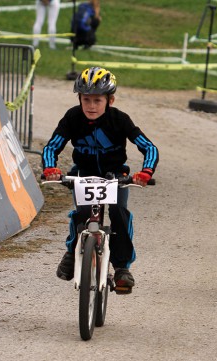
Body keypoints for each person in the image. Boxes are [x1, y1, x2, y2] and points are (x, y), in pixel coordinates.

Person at [42, 67, 159, 294]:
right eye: (86, 99)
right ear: (79, 99)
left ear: (110, 100)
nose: (91, 106)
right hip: (83, 174)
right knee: (82, 213)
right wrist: (50, 168)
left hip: (115, 175)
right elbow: (52, 146)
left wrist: (146, 172)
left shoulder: (120, 120)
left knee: (118, 212)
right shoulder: (72, 117)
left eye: (97, 100)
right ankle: (72, 250)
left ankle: (122, 267)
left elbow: (149, 148)